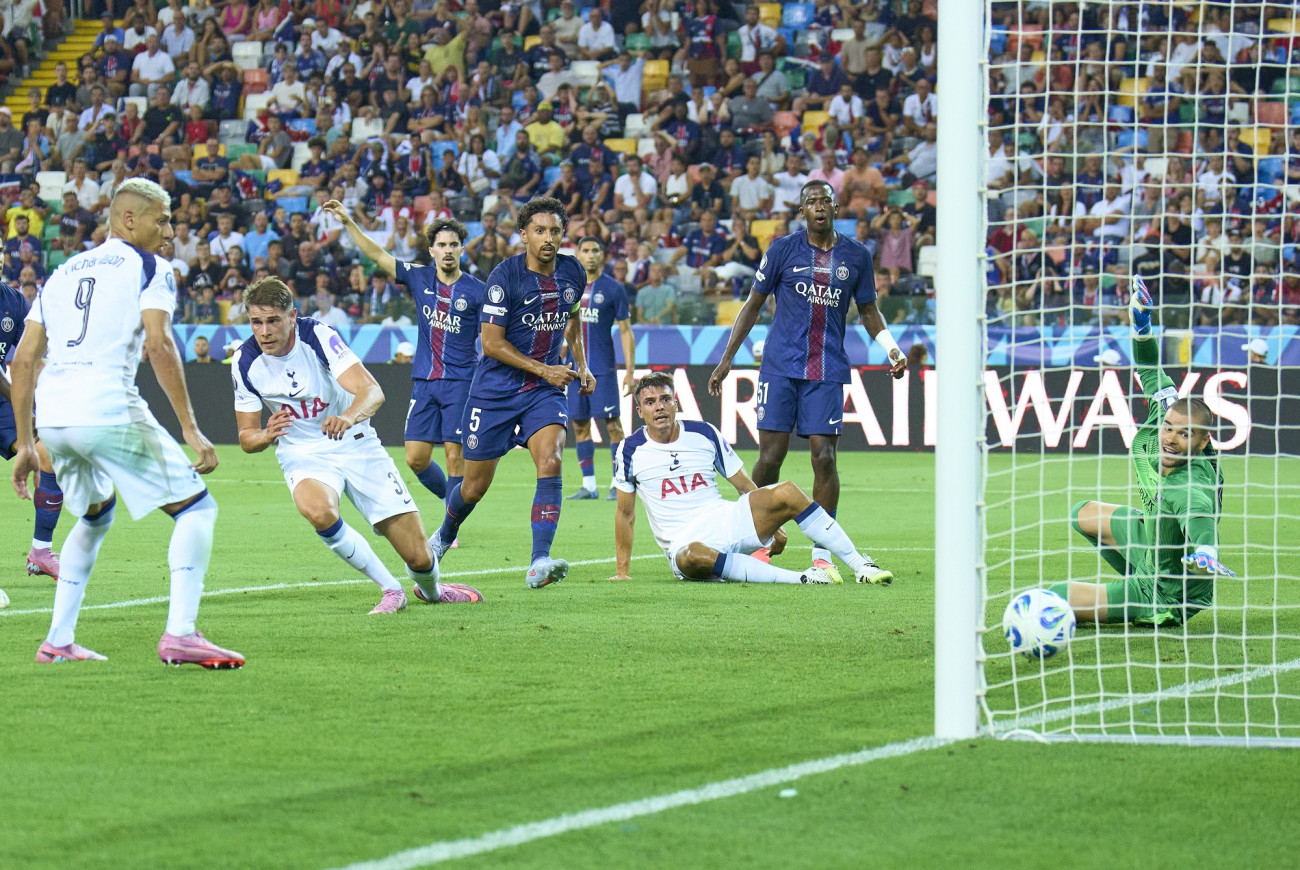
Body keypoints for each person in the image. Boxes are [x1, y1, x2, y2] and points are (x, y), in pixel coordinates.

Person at [8, 178, 242, 667]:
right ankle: (181, 633)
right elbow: (158, 344)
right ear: (129, 218)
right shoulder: (150, 267)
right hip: (106, 405)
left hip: (54, 417)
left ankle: (58, 640)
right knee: (195, 510)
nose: (171, 230)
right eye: (163, 219)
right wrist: (190, 429)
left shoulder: (61, 272)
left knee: (95, 515)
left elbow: (25, 360)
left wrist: (28, 441)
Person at [231, 277, 482, 611]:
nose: (264, 331)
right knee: (318, 511)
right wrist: (264, 435)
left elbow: (372, 391)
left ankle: (433, 590)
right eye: (256, 322)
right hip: (303, 452)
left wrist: (347, 417)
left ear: (292, 316)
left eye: (273, 320)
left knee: (419, 557)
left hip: (355, 441)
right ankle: (391, 589)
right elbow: (247, 437)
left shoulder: (318, 336)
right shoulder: (244, 361)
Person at [708, 180, 905, 584]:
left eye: (825, 201)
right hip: (779, 367)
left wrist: (891, 346)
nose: (818, 207)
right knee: (770, 458)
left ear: (836, 207)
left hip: (827, 369)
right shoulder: (782, 249)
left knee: (825, 458)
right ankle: (746, 539)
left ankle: (822, 553)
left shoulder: (856, 255)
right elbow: (753, 305)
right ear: (802, 211)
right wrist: (727, 359)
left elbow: (868, 311)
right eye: (811, 201)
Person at [430, 197, 594, 589]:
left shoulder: (572, 272)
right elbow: (491, 343)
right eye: (540, 231)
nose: (548, 238)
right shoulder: (505, 278)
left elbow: (571, 319)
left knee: (551, 459)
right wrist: (545, 368)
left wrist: (581, 364)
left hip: (544, 390)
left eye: (555, 230)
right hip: (495, 390)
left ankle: (539, 561)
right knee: (474, 486)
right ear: (524, 235)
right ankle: (443, 536)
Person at [1049, 281, 1235, 626]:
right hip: (1155, 541)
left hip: (1170, 588)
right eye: (1169, 427)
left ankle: (1146, 599)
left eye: (1185, 434)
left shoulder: (1189, 483)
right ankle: (1138, 574)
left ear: (1203, 441)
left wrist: (1206, 550)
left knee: (1051, 600)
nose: (1171, 438)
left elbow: (1200, 516)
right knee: (1083, 513)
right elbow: (1149, 368)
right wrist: (1142, 326)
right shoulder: (1164, 410)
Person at [609, 372, 888, 585]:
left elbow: (744, 485)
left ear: (675, 404)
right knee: (692, 556)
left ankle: (861, 566)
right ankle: (803, 578)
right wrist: (622, 572)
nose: (659, 407)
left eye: (665, 399)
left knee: (788, 491)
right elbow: (625, 513)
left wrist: (774, 523)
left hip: (726, 518)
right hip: (683, 541)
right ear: (640, 411)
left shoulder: (704, 433)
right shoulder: (630, 450)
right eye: (650, 402)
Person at [327, 204, 485, 517]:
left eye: (454, 244)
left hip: (461, 382)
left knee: (456, 456)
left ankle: (450, 526)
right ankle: (451, 503)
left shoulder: (477, 291)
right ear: (431, 251)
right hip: (425, 381)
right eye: (441, 245)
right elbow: (377, 255)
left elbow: (492, 337)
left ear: (462, 250)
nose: (448, 250)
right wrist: (349, 223)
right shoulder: (419, 277)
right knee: (416, 458)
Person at [1, 280, 64, 579]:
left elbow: (32, 354)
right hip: (5, 391)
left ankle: (41, 552)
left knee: (47, 449)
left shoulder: (12, 300)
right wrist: (23, 405)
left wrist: (42, 404)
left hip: (2, 395)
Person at [565, 236, 635, 501]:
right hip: (573, 370)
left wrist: (630, 370)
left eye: (595, 250)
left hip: (602, 369)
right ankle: (589, 486)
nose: (590, 255)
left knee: (613, 425)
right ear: (578, 254)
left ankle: (619, 483)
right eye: (585, 250)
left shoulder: (614, 289)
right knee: (580, 425)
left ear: (602, 255)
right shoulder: (568, 287)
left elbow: (626, 331)